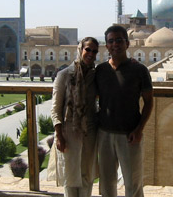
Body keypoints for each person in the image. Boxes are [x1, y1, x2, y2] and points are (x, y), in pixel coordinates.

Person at [95, 25, 154, 197]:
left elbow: (149, 102)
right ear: (106, 46)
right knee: (106, 183)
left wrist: (139, 130)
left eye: (119, 40)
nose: (115, 44)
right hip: (104, 134)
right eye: (111, 41)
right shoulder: (101, 71)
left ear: (127, 44)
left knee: (132, 183)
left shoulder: (139, 70)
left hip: (130, 135)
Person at [47, 37, 99, 197]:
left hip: (89, 133)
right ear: (80, 49)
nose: (91, 54)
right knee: (70, 178)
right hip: (69, 134)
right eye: (88, 49)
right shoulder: (64, 75)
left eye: (94, 51)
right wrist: (59, 135)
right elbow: (55, 109)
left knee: (86, 176)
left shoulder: (95, 76)